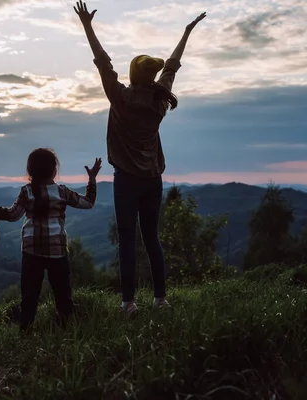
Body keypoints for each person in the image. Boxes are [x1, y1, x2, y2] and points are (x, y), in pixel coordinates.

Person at [74, 1, 207, 314]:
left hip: (127, 181)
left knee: (127, 240)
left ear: (132, 75)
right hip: (153, 180)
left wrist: (87, 26)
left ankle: (129, 303)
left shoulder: (121, 98)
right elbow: (172, 66)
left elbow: (102, 62)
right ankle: (161, 299)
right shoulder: (160, 99)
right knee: (152, 239)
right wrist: (186, 33)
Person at [0, 148, 102, 332]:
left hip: (31, 251)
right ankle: (68, 334)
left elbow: (12, 215)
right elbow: (88, 202)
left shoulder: (26, 192)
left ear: (30, 172)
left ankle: (25, 334)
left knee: (29, 297)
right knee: (63, 297)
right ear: (54, 171)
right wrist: (92, 178)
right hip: (57, 251)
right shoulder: (62, 192)